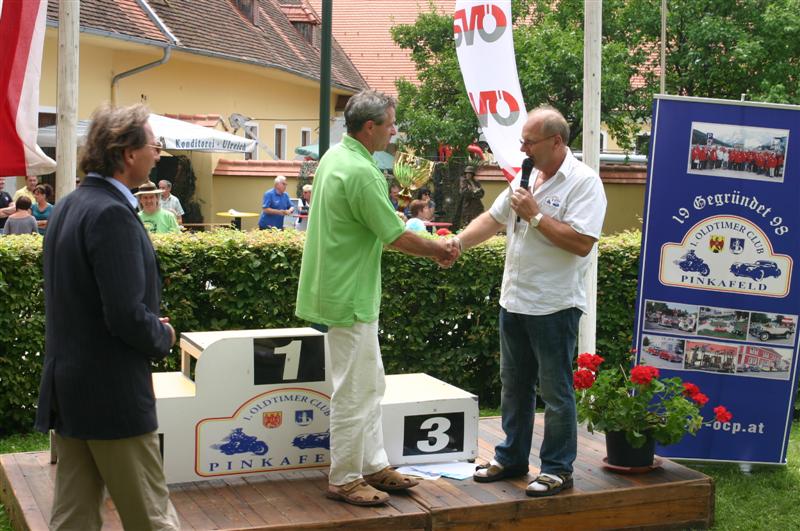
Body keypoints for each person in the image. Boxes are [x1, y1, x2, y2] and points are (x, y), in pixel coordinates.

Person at [295, 89, 455, 507]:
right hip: (350, 296)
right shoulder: (362, 172)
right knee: (355, 390)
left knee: (370, 383)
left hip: (339, 291)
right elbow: (397, 235)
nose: (394, 131)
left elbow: (376, 226)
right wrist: (441, 249)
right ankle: (345, 478)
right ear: (370, 128)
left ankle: (372, 464)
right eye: (390, 124)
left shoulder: (334, 158)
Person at [34, 103, 180, 530]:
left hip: (71, 390)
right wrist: (160, 335)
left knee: (73, 518)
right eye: (155, 145)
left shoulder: (68, 205)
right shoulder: (112, 213)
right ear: (128, 153)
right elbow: (124, 315)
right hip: (112, 396)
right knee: (152, 518)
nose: (159, 153)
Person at [450, 105, 607, 497]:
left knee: (555, 393)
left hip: (554, 306)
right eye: (522, 141)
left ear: (556, 141)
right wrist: (455, 244)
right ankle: (512, 458)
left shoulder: (584, 183)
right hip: (514, 300)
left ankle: (557, 469)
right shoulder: (527, 175)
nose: (522, 148)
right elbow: (493, 218)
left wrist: (536, 217)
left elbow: (582, 243)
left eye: (529, 142)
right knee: (514, 386)